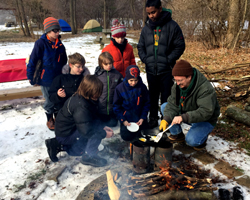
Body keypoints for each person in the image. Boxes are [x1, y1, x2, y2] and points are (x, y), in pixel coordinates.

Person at [45, 75, 114, 167]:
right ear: (89, 91)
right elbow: (87, 131)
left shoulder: (86, 98)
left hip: (72, 129)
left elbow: (92, 117)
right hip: (65, 134)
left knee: (96, 128)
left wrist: (102, 126)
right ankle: (89, 156)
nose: (99, 95)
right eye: (96, 93)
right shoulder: (81, 106)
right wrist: (104, 133)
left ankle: (59, 144)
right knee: (95, 133)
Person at [137, 0, 185, 129]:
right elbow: (140, 46)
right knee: (152, 96)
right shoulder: (146, 28)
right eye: (149, 13)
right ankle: (153, 120)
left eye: (153, 12)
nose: (151, 15)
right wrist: (146, 59)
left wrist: (169, 59)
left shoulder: (172, 26)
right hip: (151, 70)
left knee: (167, 97)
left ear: (160, 9)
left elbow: (180, 46)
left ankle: (166, 121)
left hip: (167, 70)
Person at [159, 60, 220, 150]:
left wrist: (183, 117)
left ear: (189, 77)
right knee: (165, 106)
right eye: (175, 80)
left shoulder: (205, 89)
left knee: (192, 141)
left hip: (205, 119)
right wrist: (166, 119)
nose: (178, 83)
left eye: (180, 80)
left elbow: (206, 112)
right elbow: (172, 104)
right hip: (187, 113)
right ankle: (177, 135)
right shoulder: (177, 86)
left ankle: (201, 139)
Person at [26, 17, 67, 130]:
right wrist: (31, 77)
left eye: (58, 30)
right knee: (49, 100)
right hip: (46, 78)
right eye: (55, 31)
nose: (57, 33)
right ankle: (50, 118)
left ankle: (58, 117)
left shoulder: (60, 44)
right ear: (48, 31)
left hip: (58, 77)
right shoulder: (40, 43)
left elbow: (64, 60)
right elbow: (32, 60)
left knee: (58, 98)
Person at [113, 65, 150, 142]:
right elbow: (116, 106)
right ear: (127, 78)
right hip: (127, 118)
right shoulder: (120, 88)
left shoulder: (142, 87)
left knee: (142, 136)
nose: (133, 83)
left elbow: (146, 103)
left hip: (139, 117)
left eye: (135, 80)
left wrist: (143, 117)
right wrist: (123, 120)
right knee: (126, 136)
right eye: (131, 80)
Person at [94, 52, 123, 127]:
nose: (109, 66)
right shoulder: (97, 76)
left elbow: (121, 90)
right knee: (101, 125)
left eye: (110, 63)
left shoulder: (117, 75)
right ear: (101, 64)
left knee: (113, 124)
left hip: (113, 108)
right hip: (100, 108)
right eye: (106, 64)